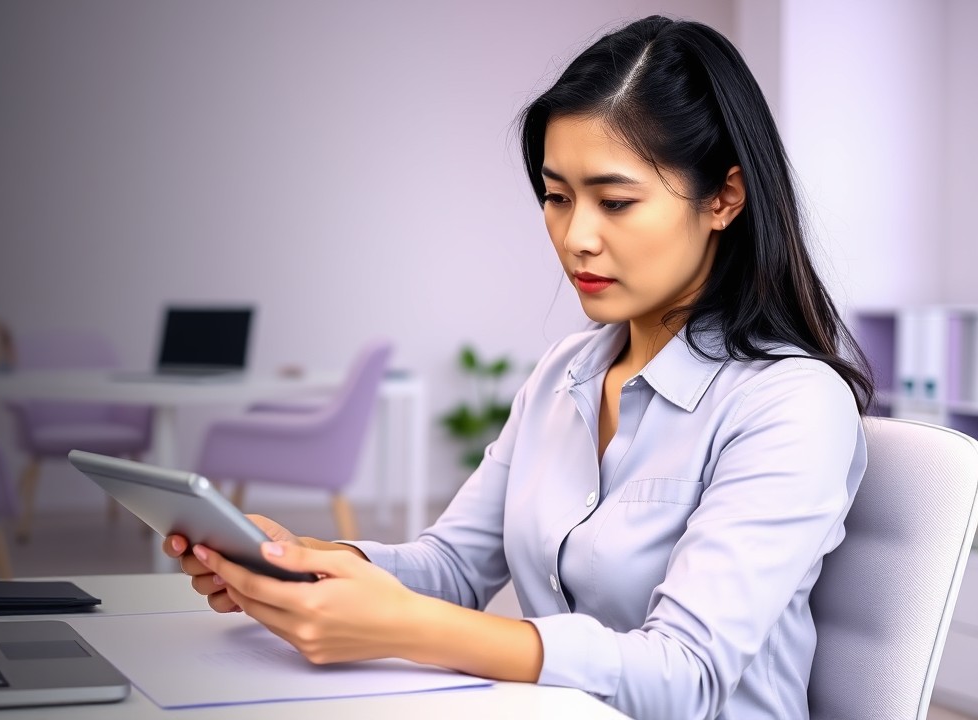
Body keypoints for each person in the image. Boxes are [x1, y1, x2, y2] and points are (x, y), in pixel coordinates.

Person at [165, 15, 872, 719]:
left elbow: (683, 676)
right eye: (556, 197)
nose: (575, 238)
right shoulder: (566, 374)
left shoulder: (792, 404)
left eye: (615, 202)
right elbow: (450, 568)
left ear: (724, 198)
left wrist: (405, 628)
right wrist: (310, 562)